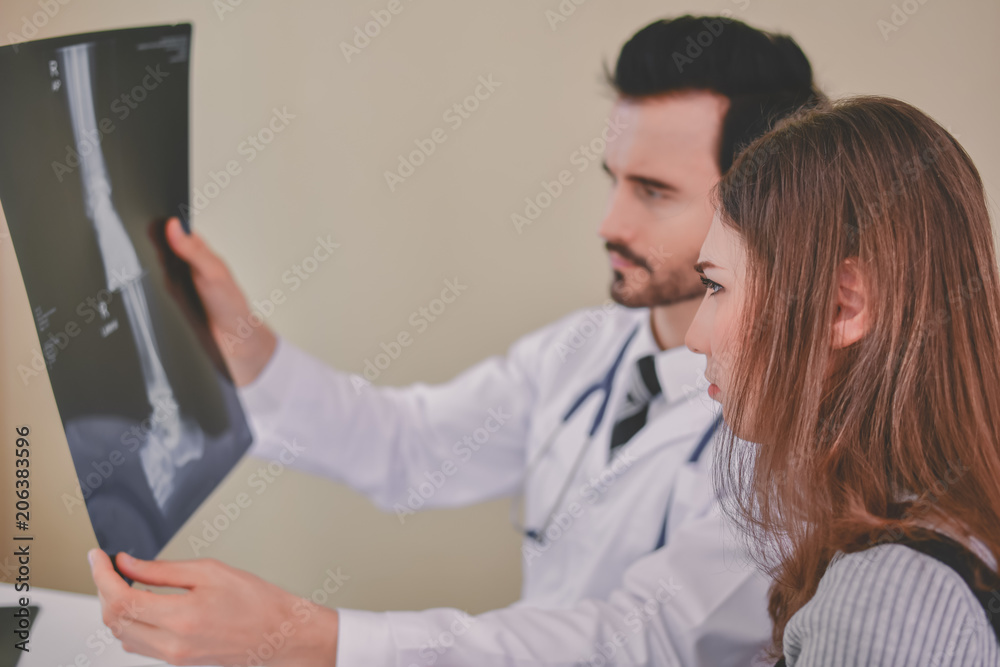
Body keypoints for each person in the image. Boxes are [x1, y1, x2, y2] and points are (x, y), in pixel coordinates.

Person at [89, 16, 822, 666]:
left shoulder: (793, 433)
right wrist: (246, 345)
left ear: (763, 204)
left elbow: (635, 644)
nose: (609, 223)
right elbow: (409, 446)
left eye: (654, 191)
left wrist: (312, 638)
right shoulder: (585, 348)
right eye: (613, 179)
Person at [685, 96, 1000, 665]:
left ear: (840, 306)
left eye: (716, 287)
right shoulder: (950, 540)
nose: (694, 336)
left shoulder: (888, 597)